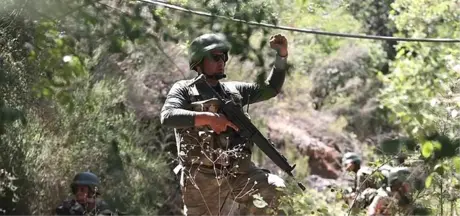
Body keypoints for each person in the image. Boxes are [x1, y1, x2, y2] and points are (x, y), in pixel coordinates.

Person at [160, 32, 289, 216]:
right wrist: (209, 119)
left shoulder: (234, 91)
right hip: (202, 182)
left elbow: (271, 89)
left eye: (224, 56)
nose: (222, 61)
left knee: (275, 190)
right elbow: (168, 116)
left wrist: (281, 55)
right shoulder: (184, 89)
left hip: (239, 173)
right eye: (215, 56)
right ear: (199, 60)